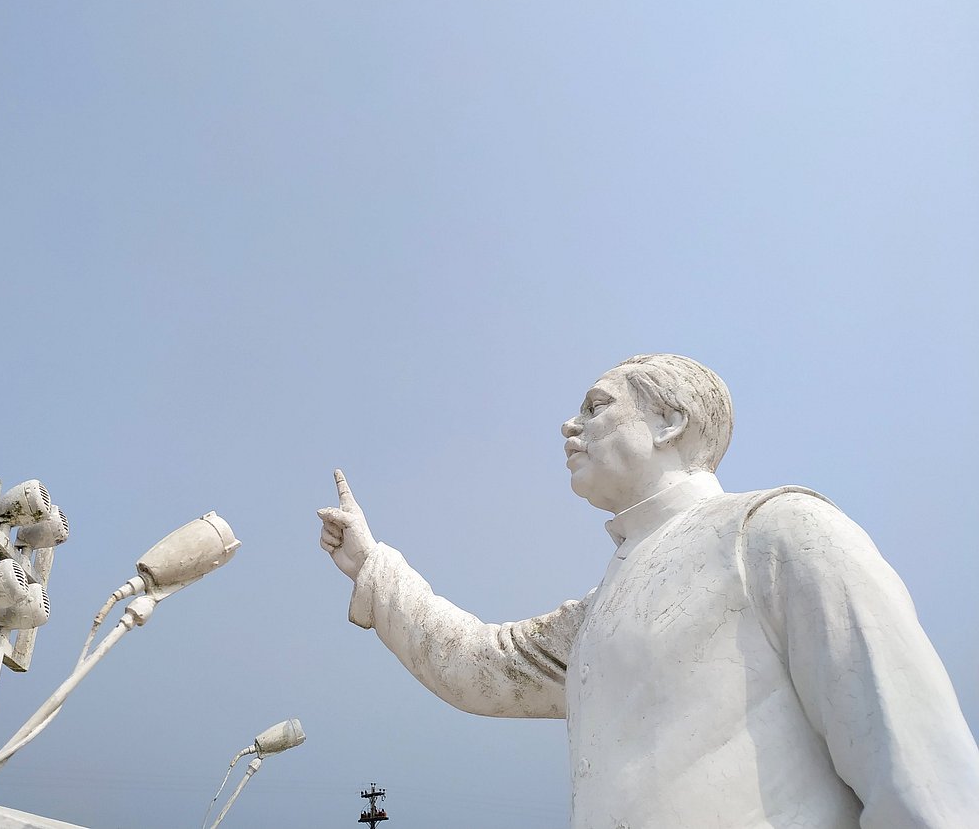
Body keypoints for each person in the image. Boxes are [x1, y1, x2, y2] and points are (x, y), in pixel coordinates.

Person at [318, 354, 979, 829]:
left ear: (670, 422)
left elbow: (919, 772)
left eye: (596, 406)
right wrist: (374, 565)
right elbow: (476, 665)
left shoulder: (776, 531)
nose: (568, 426)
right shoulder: (595, 614)